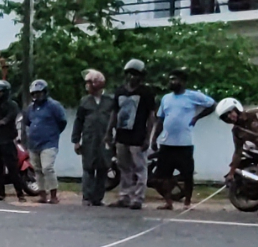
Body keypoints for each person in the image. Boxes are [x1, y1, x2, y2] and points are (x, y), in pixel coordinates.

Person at [149, 70, 216, 210]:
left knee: (187, 174)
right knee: (162, 176)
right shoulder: (166, 98)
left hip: (184, 143)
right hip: (167, 142)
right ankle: (168, 202)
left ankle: (187, 202)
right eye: (170, 79)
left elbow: (212, 104)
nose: (172, 82)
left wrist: (197, 117)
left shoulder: (192, 96)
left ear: (183, 82)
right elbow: (161, 119)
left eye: (175, 79)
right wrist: (154, 138)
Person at [107, 59, 157, 210]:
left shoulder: (146, 93)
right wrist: (109, 131)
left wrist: (148, 137)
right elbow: (114, 113)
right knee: (124, 167)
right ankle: (125, 196)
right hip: (122, 135)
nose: (132, 77)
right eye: (129, 74)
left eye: (135, 74)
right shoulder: (120, 92)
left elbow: (151, 116)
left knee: (140, 168)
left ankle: (138, 198)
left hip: (138, 136)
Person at [72, 69, 115, 206]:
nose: (87, 86)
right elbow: (78, 121)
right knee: (88, 168)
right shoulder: (85, 101)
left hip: (105, 140)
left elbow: (115, 120)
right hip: (89, 139)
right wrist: (76, 140)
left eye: (90, 83)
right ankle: (87, 197)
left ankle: (98, 198)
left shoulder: (110, 101)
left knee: (103, 169)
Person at [23, 79, 67, 204]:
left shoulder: (54, 106)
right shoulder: (30, 108)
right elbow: (27, 123)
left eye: (39, 93)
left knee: (47, 168)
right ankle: (42, 195)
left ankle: (53, 196)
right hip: (33, 143)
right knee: (37, 169)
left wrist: (52, 133)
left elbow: (62, 122)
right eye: (34, 94)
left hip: (49, 143)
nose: (37, 96)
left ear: (45, 92)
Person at [0, 80, 25, 202]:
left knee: (12, 169)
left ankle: (20, 193)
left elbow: (6, 120)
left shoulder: (12, 105)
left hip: (7, 141)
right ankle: (1, 193)